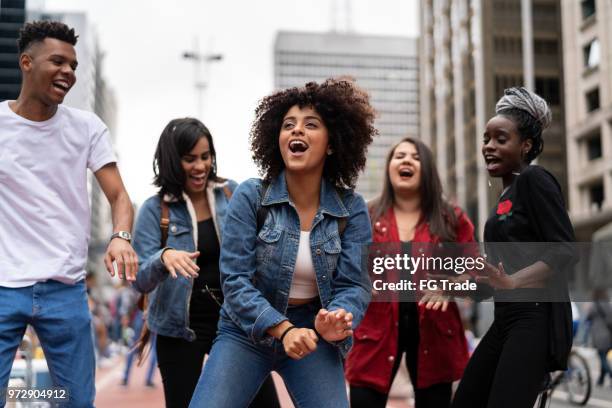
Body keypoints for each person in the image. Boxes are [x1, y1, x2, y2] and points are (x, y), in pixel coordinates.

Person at [188, 78, 376, 408]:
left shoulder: (352, 208)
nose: (296, 131)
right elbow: (234, 280)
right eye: (288, 125)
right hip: (244, 332)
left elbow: (355, 285)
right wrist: (283, 329)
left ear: (332, 143)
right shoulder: (250, 196)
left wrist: (336, 318)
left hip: (312, 334)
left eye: (311, 125)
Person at [0, 21, 138, 407]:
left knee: (75, 401)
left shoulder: (86, 128)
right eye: (57, 61)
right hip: (3, 286)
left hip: (65, 288)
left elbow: (120, 197)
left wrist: (120, 237)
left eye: (74, 65)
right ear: (26, 62)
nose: (69, 73)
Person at [132, 118, 279, 408]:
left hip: (236, 322)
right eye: (189, 159)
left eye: (205, 156)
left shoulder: (232, 193)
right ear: (172, 161)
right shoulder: (155, 209)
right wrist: (163, 257)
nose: (200, 166)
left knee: (265, 404)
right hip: (179, 329)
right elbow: (139, 278)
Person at [451, 87, 576, 408]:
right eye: (486, 139)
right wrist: (462, 283)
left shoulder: (535, 180)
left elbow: (565, 250)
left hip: (533, 320)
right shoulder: (505, 200)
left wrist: (513, 282)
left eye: (500, 139)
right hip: (505, 320)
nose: (489, 147)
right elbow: (496, 281)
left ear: (526, 145)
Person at [345, 137, 474, 408]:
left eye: (415, 157)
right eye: (399, 155)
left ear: (426, 168)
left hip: (436, 334)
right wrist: (359, 283)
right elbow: (343, 268)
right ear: (389, 167)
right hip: (373, 333)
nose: (406, 160)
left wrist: (451, 286)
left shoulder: (451, 217)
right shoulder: (365, 215)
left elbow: (476, 270)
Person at [586, 289, 612, 386]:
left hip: (599, 335)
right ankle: (600, 380)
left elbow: (588, 317)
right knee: (603, 356)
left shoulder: (594, 305)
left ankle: (610, 374)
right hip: (609, 335)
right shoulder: (608, 304)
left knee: (602, 357)